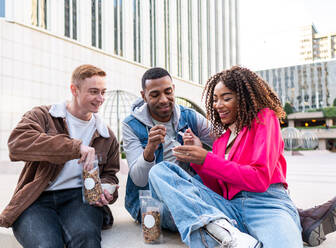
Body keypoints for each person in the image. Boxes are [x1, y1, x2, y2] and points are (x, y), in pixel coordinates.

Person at [122, 67, 336, 247]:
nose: (218, 105)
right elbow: (217, 186)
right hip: (226, 207)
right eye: (215, 100)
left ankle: (295, 222)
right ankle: (228, 234)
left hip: (266, 204)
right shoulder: (222, 139)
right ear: (144, 96)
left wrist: (203, 158)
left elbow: (260, 179)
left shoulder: (264, 120)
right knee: (161, 172)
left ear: (242, 99)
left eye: (226, 98)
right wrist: (198, 161)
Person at [0, 64, 120, 248]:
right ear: (74, 89)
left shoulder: (106, 135)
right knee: (46, 245)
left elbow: (110, 174)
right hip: (36, 199)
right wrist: (75, 147)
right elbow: (17, 144)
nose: (100, 98)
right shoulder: (43, 116)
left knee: (87, 240)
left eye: (103, 92)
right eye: (94, 92)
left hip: (79, 200)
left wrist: (107, 188)